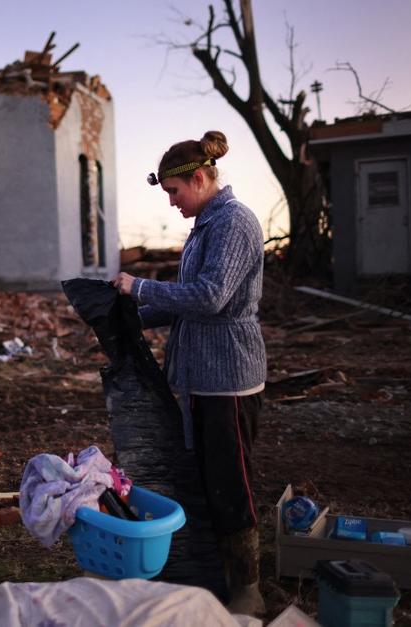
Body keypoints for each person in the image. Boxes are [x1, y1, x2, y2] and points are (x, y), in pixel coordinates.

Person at [113, 131, 266, 616]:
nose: (173, 203)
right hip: (200, 377)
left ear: (199, 178)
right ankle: (214, 570)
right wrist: (121, 314)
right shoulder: (206, 225)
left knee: (230, 481)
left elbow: (209, 297)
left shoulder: (234, 223)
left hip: (228, 378)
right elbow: (186, 303)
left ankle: (248, 586)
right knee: (205, 478)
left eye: (176, 192)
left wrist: (140, 287)